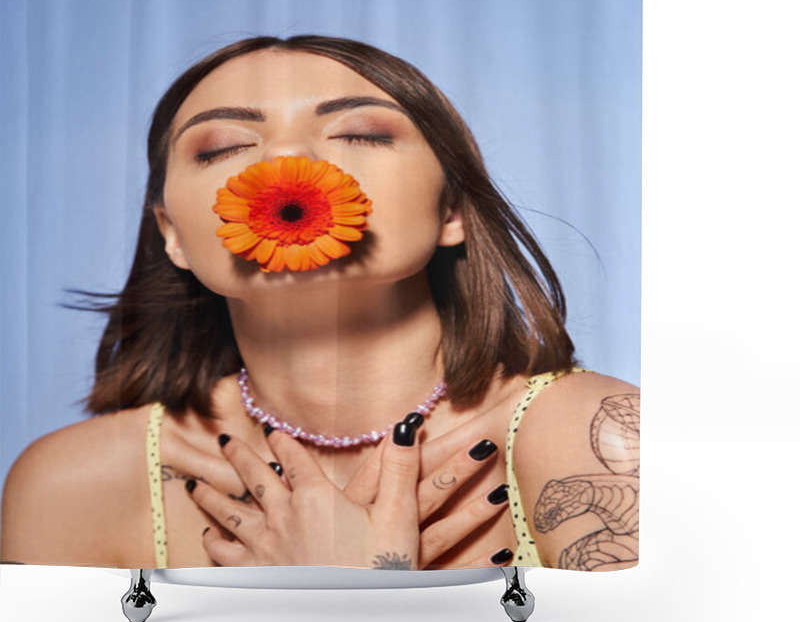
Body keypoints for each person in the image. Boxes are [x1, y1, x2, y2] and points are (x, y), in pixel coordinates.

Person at [1, 35, 639, 571]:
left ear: (450, 209)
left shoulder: (604, 441)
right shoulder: (72, 486)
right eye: (222, 146)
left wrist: (359, 599)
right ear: (172, 234)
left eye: (360, 133)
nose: (287, 159)